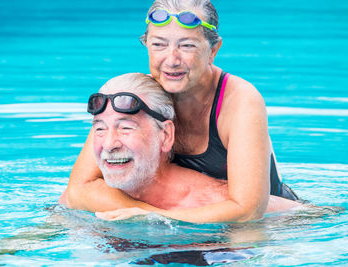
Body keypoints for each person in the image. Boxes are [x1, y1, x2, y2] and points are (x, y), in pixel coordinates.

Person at [60, 0, 300, 222]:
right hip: (181, 213)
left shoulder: (239, 101)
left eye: (187, 45)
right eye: (159, 45)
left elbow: (247, 210)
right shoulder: (140, 96)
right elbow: (78, 188)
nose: (171, 60)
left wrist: (158, 218)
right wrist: (147, 214)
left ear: (213, 50)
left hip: (271, 224)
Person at [62, 73, 301, 222]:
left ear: (166, 135)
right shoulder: (84, 197)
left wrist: (154, 218)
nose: (109, 144)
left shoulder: (210, 200)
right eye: (100, 129)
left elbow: (299, 215)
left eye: (126, 128)